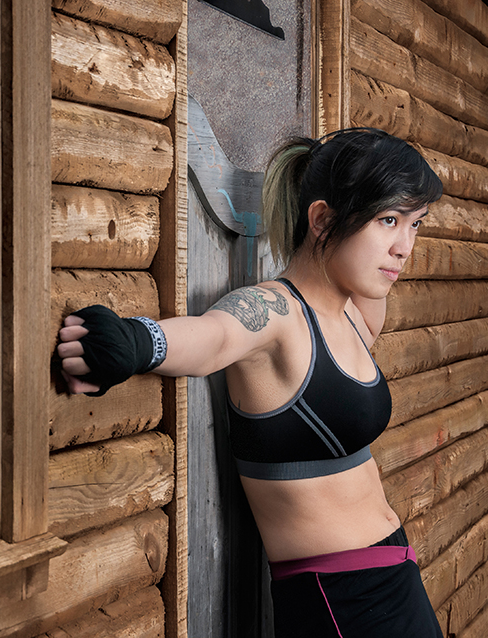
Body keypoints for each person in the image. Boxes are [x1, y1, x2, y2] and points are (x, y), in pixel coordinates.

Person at [56, 128, 445, 637]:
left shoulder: (358, 316)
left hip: (396, 577)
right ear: (323, 220)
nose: (404, 247)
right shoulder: (277, 314)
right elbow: (213, 337)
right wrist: (132, 342)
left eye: (415, 225)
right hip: (337, 603)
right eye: (388, 221)